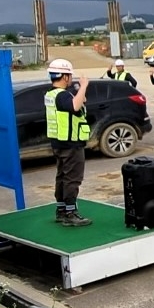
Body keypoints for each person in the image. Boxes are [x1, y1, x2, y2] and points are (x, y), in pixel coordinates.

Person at [45, 59, 92, 226]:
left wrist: (79, 93)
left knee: (62, 177)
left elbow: (76, 105)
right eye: (70, 75)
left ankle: (61, 210)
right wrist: (84, 85)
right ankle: (70, 213)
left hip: (58, 143)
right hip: (70, 144)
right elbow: (74, 106)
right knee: (72, 179)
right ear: (64, 76)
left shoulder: (51, 94)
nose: (71, 78)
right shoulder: (62, 95)